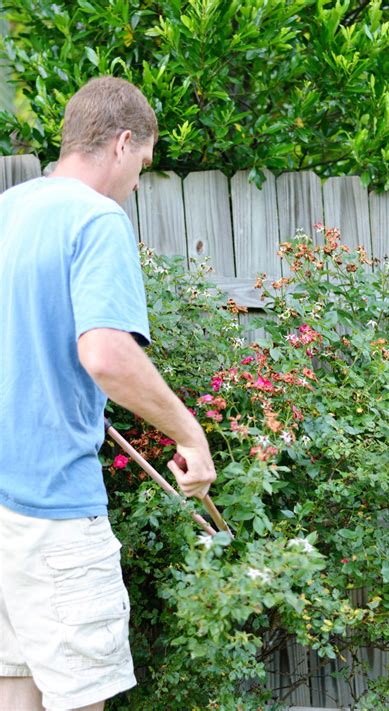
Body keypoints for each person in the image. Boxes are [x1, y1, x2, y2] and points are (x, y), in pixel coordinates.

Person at [0, 76, 216, 711]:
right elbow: (106, 353)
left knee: (14, 688)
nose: (138, 184)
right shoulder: (97, 219)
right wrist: (189, 434)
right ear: (124, 143)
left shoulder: (6, 212)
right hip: (55, 514)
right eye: (144, 166)